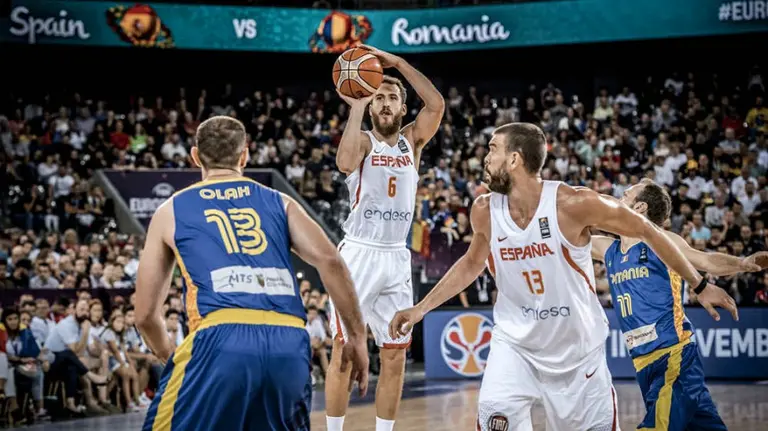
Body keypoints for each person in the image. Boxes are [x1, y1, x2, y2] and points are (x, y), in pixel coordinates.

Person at [389, 123, 737, 431]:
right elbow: (470, 263)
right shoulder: (484, 210)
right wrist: (420, 309)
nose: (485, 158)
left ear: (514, 160)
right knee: (497, 415)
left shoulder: (573, 203)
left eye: (493, 149)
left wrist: (700, 284)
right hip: (515, 344)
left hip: (576, 350)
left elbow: (649, 231)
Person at [135, 115, 369, 431]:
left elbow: (146, 315)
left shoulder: (171, 210)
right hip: (289, 340)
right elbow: (332, 262)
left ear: (195, 157)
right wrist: (356, 335)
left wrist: (170, 356)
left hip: (221, 337)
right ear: (245, 154)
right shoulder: (280, 201)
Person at [328, 44, 445, 431]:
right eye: (378, 97)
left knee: (395, 353)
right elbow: (344, 163)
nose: (385, 103)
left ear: (401, 107)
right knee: (345, 349)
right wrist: (357, 104)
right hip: (360, 252)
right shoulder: (363, 140)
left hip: (396, 256)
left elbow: (436, 104)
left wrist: (397, 64)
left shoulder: (413, 141)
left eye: (392, 97)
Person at [591, 179, 765, 431]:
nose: (620, 197)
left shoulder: (660, 241)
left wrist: (741, 263)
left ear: (639, 207)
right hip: (643, 361)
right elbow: (569, 239)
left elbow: (705, 260)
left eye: (626, 195)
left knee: (657, 426)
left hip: (674, 354)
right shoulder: (609, 248)